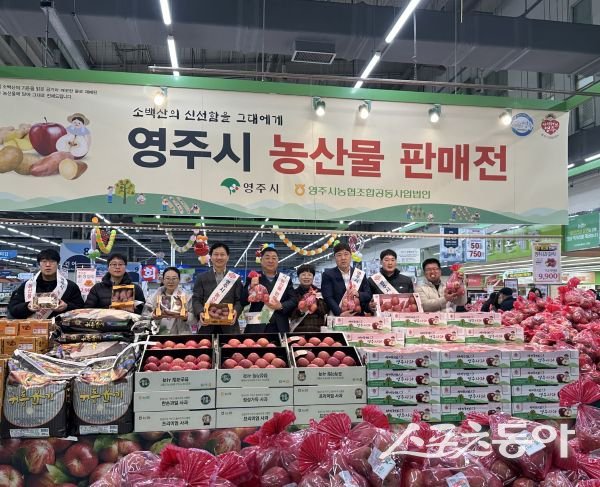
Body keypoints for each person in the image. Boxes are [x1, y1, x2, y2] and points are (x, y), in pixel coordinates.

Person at [8, 249, 84, 319]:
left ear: (57, 264)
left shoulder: (70, 286)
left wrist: (67, 306)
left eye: (52, 261)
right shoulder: (27, 286)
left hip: (61, 327)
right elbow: (13, 308)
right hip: (31, 327)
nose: (48, 265)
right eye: (44, 261)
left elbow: (81, 309)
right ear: (39, 264)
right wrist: (27, 307)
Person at [241, 246, 297, 333]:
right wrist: (250, 288)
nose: (271, 261)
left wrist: (281, 306)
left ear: (278, 261)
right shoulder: (254, 277)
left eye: (274, 258)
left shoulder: (285, 279)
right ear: (261, 260)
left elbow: (293, 300)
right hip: (257, 324)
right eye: (267, 258)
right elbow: (242, 300)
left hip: (279, 325)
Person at [192, 242, 242, 334]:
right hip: (206, 325)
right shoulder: (201, 278)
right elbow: (196, 299)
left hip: (229, 326)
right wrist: (200, 312)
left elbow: (239, 300)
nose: (219, 257)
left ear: (228, 257)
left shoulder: (235, 278)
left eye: (222, 254)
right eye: (216, 254)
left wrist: (236, 311)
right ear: (210, 257)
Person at [321, 242, 372, 316]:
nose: (343, 258)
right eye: (339, 255)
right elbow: (328, 297)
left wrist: (358, 294)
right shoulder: (328, 274)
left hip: (357, 316)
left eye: (346, 254)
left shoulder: (360, 274)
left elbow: (368, 294)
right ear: (335, 257)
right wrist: (340, 313)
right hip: (338, 317)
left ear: (351, 256)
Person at [142, 267, 194, 334]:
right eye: (167, 278)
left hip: (180, 336)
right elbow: (144, 317)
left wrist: (186, 317)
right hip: (158, 335)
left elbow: (195, 320)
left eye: (174, 278)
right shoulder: (153, 297)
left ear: (179, 280)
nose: (171, 281)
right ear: (163, 280)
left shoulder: (187, 297)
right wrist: (153, 316)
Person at [290, 264, 328, 333]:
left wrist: (315, 303)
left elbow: (325, 311)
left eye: (309, 275)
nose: (306, 277)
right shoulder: (293, 293)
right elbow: (290, 313)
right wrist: (301, 311)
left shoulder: (320, 292)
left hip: (317, 329)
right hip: (298, 330)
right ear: (298, 277)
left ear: (313, 277)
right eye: (303, 275)